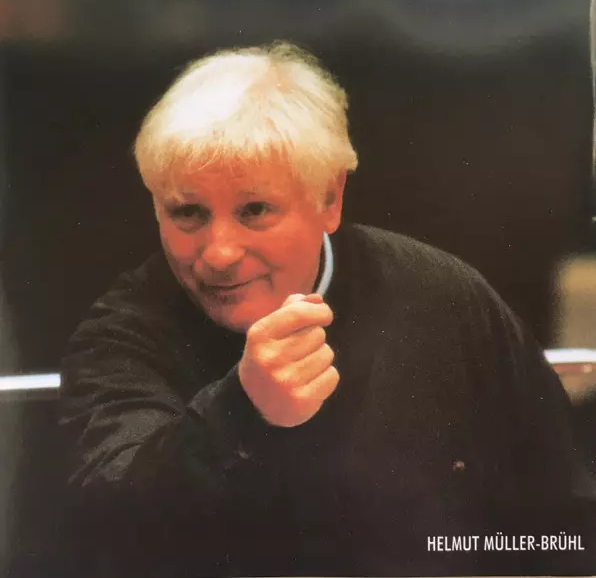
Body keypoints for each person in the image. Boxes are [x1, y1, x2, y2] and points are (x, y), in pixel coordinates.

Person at [60, 41, 594, 577]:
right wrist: (241, 413)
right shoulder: (121, 335)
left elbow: (561, 511)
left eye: (254, 210)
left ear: (330, 199)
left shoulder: (445, 295)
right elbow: (115, 530)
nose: (219, 253)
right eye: (188, 213)